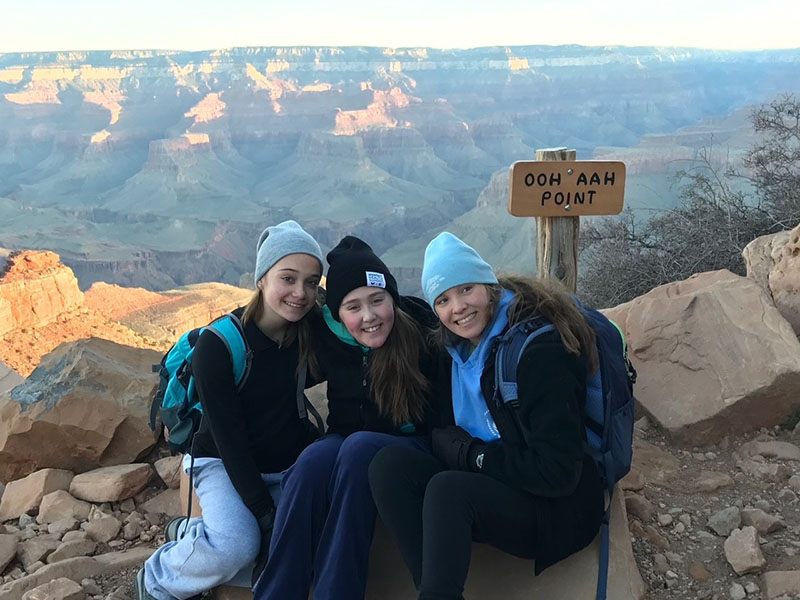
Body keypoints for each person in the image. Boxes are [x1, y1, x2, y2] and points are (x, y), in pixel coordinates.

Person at [368, 232, 605, 600]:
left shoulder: (538, 352)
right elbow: (440, 428)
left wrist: (472, 455)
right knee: (387, 465)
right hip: (494, 487)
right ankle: (433, 590)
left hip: (554, 508)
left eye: (465, 290)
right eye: (443, 300)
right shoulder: (455, 350)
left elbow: (557, 473)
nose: (457, 308)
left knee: (449, 490)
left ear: (488, 286)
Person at [135, 220, 325, 600]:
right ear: (261, 279)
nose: (300, 293)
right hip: (222, 460)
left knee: (309, 546)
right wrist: (263, 513)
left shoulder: (310, 330)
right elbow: (230, 440)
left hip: (286, 461)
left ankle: (193, 535)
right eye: (287, 278)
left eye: (311, 282)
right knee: (238, 547)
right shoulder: (219, 346)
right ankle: (157, 580)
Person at [253, 235, 443, 600]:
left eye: (377, 300)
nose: (369, 317)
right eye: (353, 307)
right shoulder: (327, 339)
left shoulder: (423, 335)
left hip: (413, 449)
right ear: (337, 314)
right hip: (348, 442)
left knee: (358, 448)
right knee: (310, 463)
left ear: (393, 299)